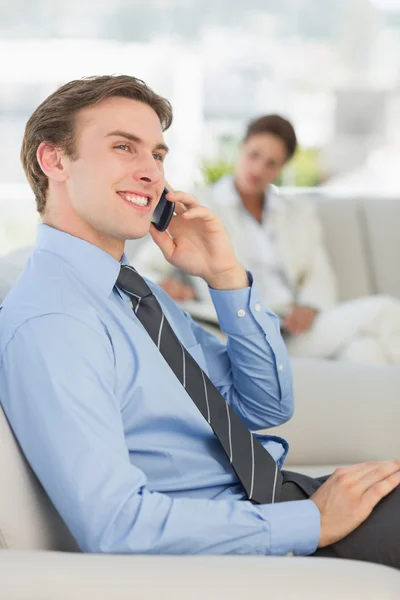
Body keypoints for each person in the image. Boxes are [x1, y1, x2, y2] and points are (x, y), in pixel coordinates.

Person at [0, 75, 399, 567]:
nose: (151, 172)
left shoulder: (132, 293)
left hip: (272, 500)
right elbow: (116, 524)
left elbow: (265, 406)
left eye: (158, 155)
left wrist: (226, 276)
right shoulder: (54, 321)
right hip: (242, 532)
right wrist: (312, 522)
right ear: (53, 159)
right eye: (125, 147)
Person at [134, 115, 400, 365]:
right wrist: (163, 284)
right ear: (242, 149)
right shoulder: (200, 204)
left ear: (281, 168)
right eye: (254, 155)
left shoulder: (299, 213)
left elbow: (319, 275)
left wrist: (310, 306)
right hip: (234, 329)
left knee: (368, 353)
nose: (258, 168)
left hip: (292, 331)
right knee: (385, 310)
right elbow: (142, 267)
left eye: (271, 163)